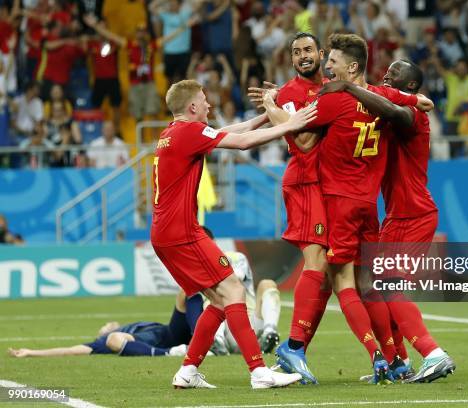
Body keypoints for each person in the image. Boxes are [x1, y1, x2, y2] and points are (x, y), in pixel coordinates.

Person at [260, 33, 431, 384]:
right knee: (365, 282)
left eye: (329, 60)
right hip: (368, 203)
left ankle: (307, 348)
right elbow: (421, 102)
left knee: (339, 278)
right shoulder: (381, 98)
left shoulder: (335, 99)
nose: (326, 67)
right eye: (298, 52)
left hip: (336, 199)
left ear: (346, 65)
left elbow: (304, 140)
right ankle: (395, 360)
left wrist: (271, 106)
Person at [151, 79, 316, 389]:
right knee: (234, 290)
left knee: (218, 300)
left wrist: (269, 114)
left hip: (165, 233)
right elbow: (242, 143)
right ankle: (259, 372)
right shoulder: (189, 132)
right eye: (205, 100)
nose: (210, 105)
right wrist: (289, 125)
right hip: (183, 232)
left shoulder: (171, 134)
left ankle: (187, 371)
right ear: (193, 107)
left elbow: (232, 132)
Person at [321, 59, 455, 383]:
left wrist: (351, 86)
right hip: (394, 216)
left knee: (390, 286)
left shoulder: (414, 115)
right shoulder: (384, 107)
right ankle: (401, 363)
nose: (387, 75)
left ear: (411, 87)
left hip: (416, 214)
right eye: (387, 71)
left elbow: (396, 112)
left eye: (395, 73)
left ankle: (434, 353)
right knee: (379, 291)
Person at [247, 32, 331, 385]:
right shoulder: (292, 95)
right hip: (306, 182)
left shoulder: (332, 87)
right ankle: (293, 346)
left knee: (330, 273)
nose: (302, 56)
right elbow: (306, 141)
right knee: (317, 263)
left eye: (308, 50)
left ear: (321, 54)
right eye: (296, 52)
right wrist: (273, 105)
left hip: (329, 186)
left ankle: (296, 351)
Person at [8, 291, 197, 358]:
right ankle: (171, 354)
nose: (109, 323)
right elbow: (69, 350)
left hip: (172, 332)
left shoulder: (130, 326)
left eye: (109, 323)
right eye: (106, 324)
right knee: (114, 340)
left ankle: (210, 336)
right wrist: (31, 352)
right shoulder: (101, 341)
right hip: (163, 343)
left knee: (186, 291)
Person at [199, 227, 281, 356]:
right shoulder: (197, 266)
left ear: (213, 242)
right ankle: (217, 341)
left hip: (251, 323)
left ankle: (269, 334)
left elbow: (235, 278)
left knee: (267, 284)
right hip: (226, 328)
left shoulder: (235, 257)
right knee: (213, 296)